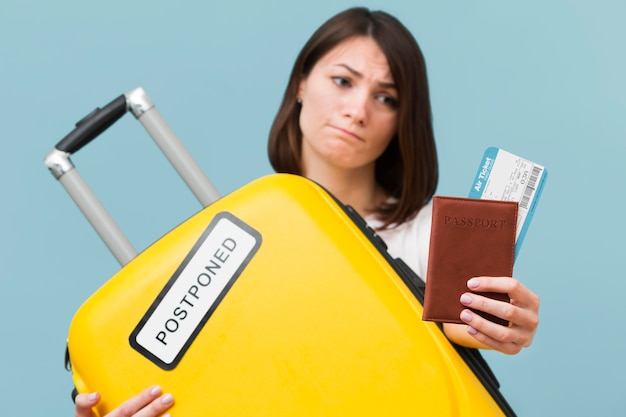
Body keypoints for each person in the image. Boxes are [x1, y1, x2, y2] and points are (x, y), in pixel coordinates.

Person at [75, 7, 539, 417]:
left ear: (403, 120)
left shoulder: (432, 237)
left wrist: (502, 327)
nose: (357, 110)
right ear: (301, 83)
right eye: (343, 80)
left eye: (386, 98)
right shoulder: (244, 230)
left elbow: (461, 339)